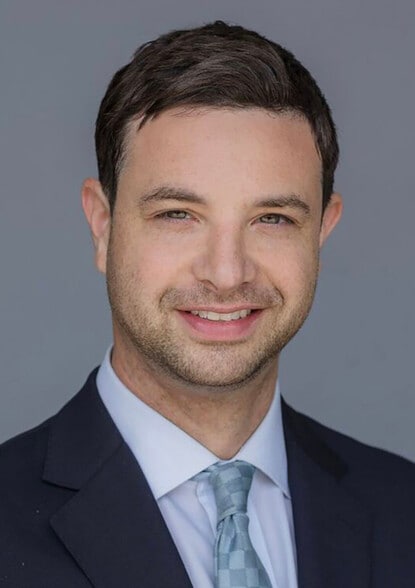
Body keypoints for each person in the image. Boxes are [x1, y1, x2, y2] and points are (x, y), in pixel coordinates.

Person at [1, 20, 414, 588]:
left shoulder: (402, 510)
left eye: (272, 219)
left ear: (322, 230)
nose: (226, 274)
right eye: (178, 215)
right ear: (102, 226)